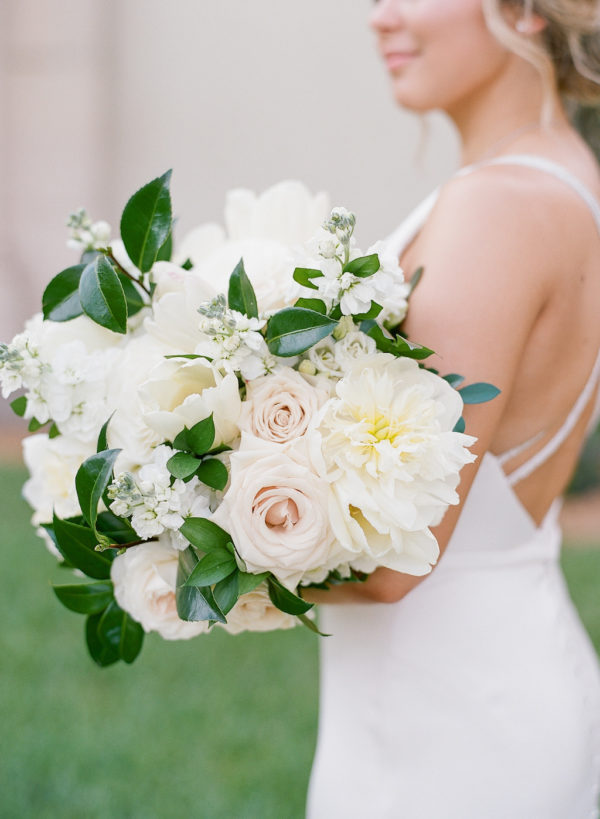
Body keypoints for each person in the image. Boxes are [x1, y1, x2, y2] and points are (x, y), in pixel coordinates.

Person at [304, 1, 600, 816]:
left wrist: (174, 527)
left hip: (447, 740)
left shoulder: (497, 205)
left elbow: (393, 554)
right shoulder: (561, 174)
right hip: (482, 685)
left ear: (524, 11)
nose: (380, 18)